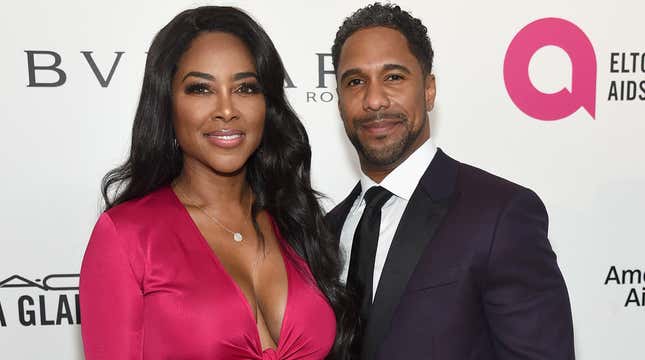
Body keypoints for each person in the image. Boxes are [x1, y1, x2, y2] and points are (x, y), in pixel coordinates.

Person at [80, 6, 352, 360]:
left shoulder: (295, 219)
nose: (226, 109)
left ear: (266, 104)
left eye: (245, 87)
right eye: (200, 89)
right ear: (167, 105)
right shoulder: (127, 238)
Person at [325, 3, 575, 360]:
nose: (374, 100)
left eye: (393, 77)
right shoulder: (322, 233)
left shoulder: (499, 215)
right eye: (355, 81)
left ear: (428, 91)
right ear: (339, 100)